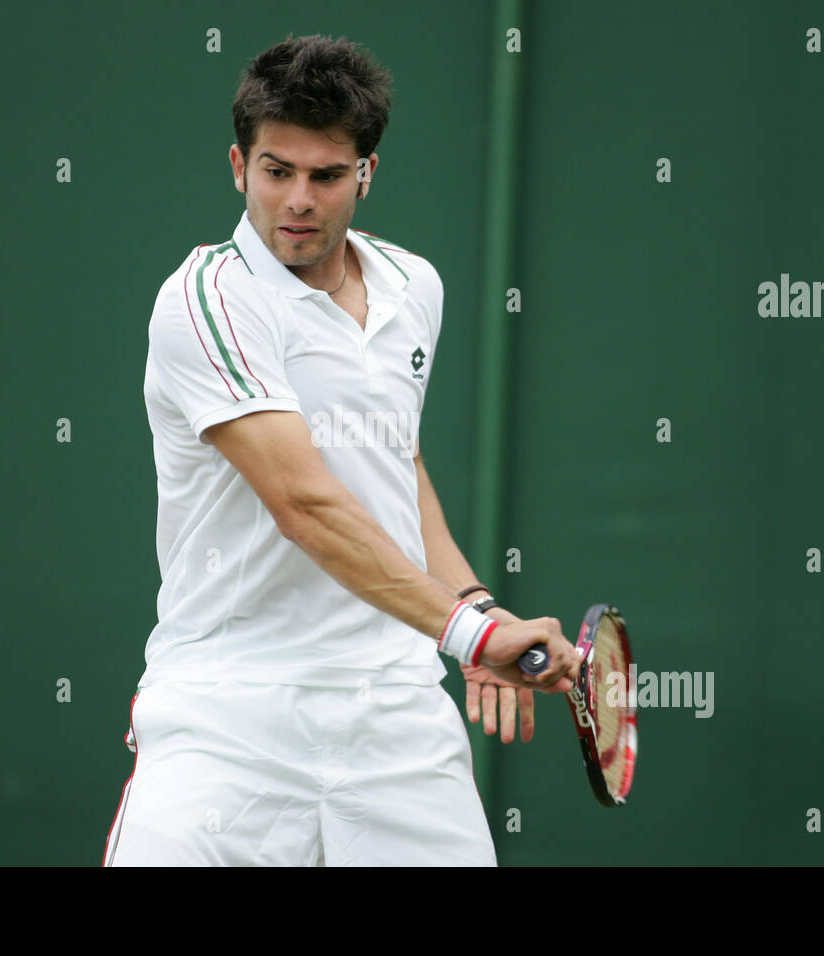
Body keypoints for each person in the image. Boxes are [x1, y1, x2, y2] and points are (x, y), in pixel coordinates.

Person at [103, 33, 579, 867]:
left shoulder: (412, 286)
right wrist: (467, 634)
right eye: (275, 170)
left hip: (394, 715)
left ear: (366, 174)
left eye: (326, 176)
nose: (298, 200)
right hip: (229, 714)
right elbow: (304, 504)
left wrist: (469, 596)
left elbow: (396, 465)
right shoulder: (208, 301)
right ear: (237, 166)